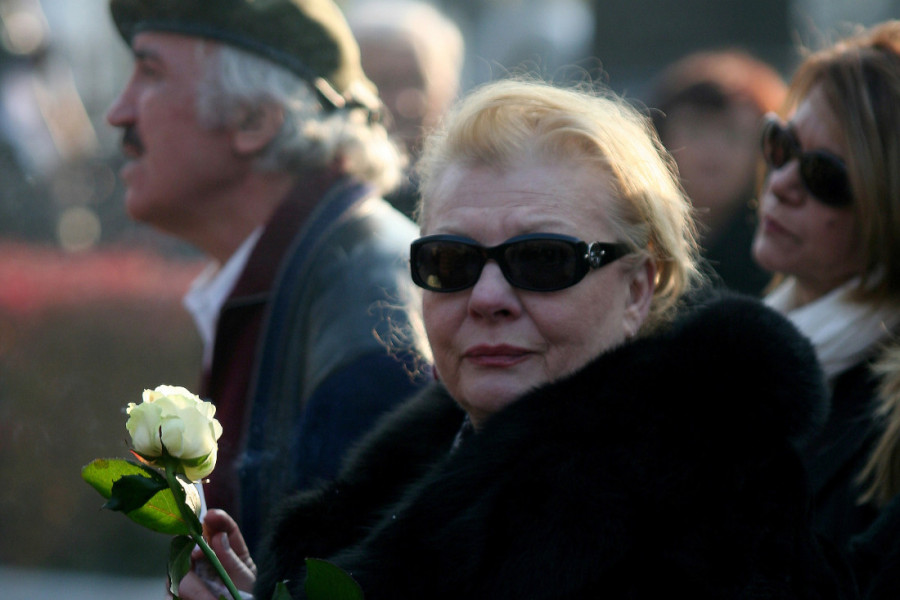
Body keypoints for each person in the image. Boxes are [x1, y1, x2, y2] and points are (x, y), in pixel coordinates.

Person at [178, 78, 852, 600]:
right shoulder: (424, 460)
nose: (489, 299)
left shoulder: (715, 507)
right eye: (450, 263)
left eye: (543, 261)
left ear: (639, 287)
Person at [104, 0, 430, 553]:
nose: (118, 112)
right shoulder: (319, 270)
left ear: (256, 120)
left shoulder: (367, 324)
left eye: (150, 73)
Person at [750, 20, 900, 558]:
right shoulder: (736, 350)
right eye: (781, 144)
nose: (783, 181)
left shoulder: (887, 420)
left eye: (825, 175)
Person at [649, 49, 787, 295]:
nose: (713, 149)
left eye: (732, 134)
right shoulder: (634, 237)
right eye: (696, 130)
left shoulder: (781, 253)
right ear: (660, 137)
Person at [345, 0, 465, 217]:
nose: (406, 103)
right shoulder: (330, 199)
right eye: (384, 83)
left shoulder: (473, 193)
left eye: (418, 81)